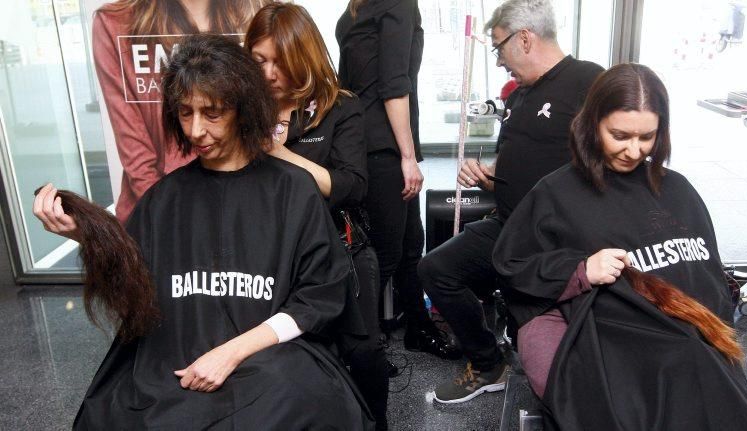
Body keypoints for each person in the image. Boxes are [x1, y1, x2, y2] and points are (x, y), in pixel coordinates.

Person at [34, 34, 372, 430]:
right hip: (175, 356)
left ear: (243, 110)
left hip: (268, 359)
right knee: (115, 413)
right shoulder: (164, 198)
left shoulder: (293, 190)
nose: (195, 130)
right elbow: (134, 283)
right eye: (185, 113)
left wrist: (230, 353)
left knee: (299, 402)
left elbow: (318, 298)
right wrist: (86, 235)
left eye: (212, 113)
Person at [492, 63, 747, 429]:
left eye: (646, 137)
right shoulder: (556, 193)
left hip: (688, 335)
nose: (634, 151)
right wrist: (581, 270)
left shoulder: (678, 190)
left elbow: (708, 276)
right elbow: (513, 265)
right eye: (619, 135)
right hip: (613, 336)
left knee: (710, 380)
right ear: (592, 124)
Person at [419, 0, 604, 403]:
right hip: (508, 223)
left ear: (524, 38)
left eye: (498, 48)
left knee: (544, 346)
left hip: (555, 239)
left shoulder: (589, 82)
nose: (499, 60)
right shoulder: (520, 96)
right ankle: (488, 364)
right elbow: (518, 161)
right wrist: (488, 176)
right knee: (436, 270)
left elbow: (609, 165)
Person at [244, 3, 389, 429]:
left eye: (280, 62)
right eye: (259, 61)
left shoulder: (339, 107)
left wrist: (281, 154)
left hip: (340, 246)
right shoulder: (243, 111)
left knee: (362, 351)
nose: (269, 73)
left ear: (302, 57)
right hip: (272, 253)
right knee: (285, 358)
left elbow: (352, 185)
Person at [336, 0, 459, 359]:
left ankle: (418, 329)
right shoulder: (398, 3)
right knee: (385, 254)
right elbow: (393, 85)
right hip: (385, 147)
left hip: (364, 140)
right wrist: (407, 155)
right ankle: (359, 348)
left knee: (408, 245)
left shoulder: (356, 10)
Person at [92, 0, 267, 223]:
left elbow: (265, 113)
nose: (196, 131)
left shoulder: (258, 10)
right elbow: (135, 152)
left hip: (241, 202)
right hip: (155, 212)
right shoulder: (115, 21)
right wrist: (174, 219)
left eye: (211, 112)